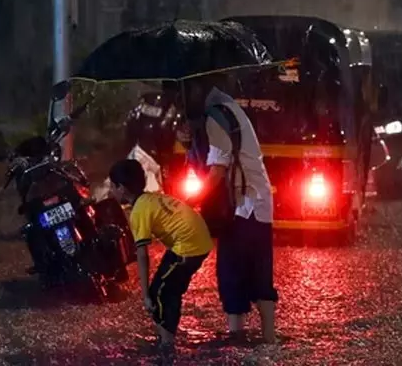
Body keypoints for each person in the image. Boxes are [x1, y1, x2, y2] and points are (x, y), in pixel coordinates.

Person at [180, 74, 278, 344]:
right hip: (254, 204)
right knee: (247, 271)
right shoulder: (227, 108)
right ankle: (261, 339)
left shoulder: (215, 117)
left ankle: (248, 338)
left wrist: (187, 203)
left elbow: (215, 171)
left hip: (244, 206)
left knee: (238, 271)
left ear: (195, 90)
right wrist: (189, 143)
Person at [108, 159, 213, 347]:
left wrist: (145, 294)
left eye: (112, 186)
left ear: (122, 188)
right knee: (168, 287)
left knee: (160, 293)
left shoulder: (139, 211)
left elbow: (142, 255)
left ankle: (167, 344)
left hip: (189, 246)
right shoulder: (150, 199)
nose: (111, 192)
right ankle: (166, 336)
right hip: (197, 239)